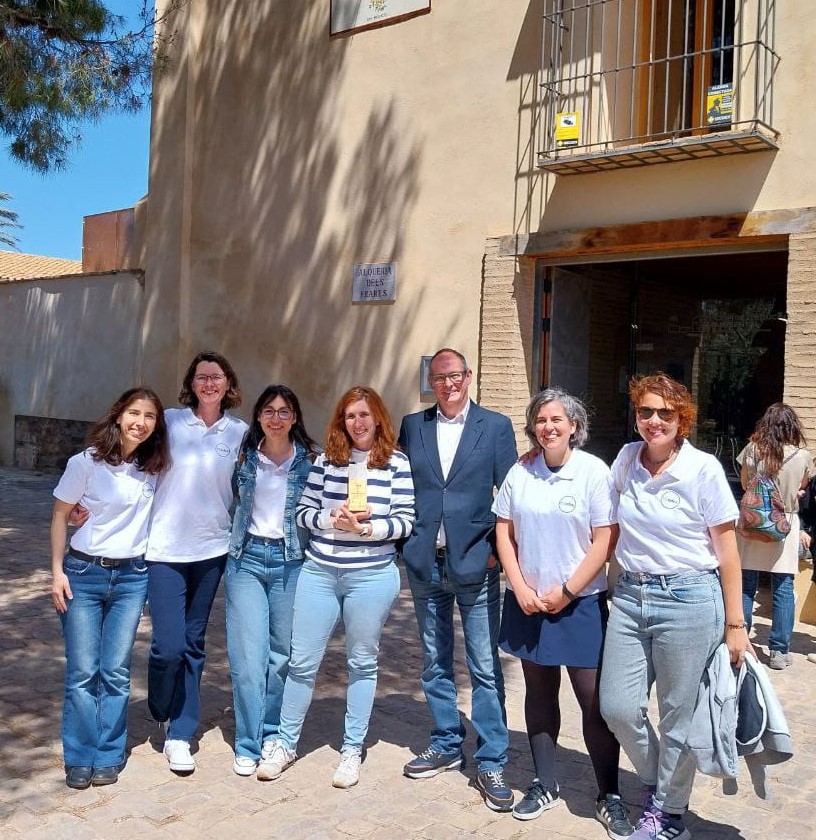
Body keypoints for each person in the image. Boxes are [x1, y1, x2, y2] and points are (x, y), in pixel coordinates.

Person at [600, 373, 750, 840]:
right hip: (629, 597)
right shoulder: (626, 459)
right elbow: (608, 525)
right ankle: (658, 784)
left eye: (666, 413)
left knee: (678, 713)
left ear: (682, 418)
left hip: (689, 600)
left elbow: (727, 552)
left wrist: (736, 624)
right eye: (646, 411)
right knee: (618, 707)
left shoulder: (702, 469)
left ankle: (667, 814)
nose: (654, 421)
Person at [255, 386, 414, 788]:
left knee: (362, 663)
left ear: (377, 417)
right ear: (341, 422)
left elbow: (407, 521)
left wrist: (367, 528)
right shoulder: (327, 462)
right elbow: (303, 514)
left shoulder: (396, 463)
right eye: (349, 416)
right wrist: (331, 518)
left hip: (371, 577)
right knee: (302, 662)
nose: (357, 423)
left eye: (364, 415)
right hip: (320, 573)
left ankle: (351, 750)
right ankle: (285, 744)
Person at [493, 388, 633, 839]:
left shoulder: (593, 472)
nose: (548, 427)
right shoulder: (522, 470)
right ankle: (544, 782)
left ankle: (609, 794)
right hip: (528, 601)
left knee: (594, 701)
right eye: (540, 420)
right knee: (538, 693)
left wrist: (569, 592)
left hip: (580, 604)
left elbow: (604, 539)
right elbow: (504, 531)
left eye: (557, 420)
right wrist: (519, 586)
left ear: (574, 426)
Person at [399, 348, 518, 812]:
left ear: (468, 377)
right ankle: (447, 741)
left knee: (485, 667)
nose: (447, 383)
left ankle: (492, 759)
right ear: (431, 381)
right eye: (438, 377)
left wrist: (498, 555)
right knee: (433, 660)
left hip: (476, 563)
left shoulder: (495, 426)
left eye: (454, 375)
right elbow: (400, 486)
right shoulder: (414, 426)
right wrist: (404, 545)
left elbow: (509, 494)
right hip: (427, 562)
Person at [51, 388, 170, 790]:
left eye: (150, 416)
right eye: (134, 413)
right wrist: (56, 571)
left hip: (132, 578)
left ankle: (108, 753)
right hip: (83, 575)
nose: (141, 422)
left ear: (157, 425)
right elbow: (60, 516)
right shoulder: (85, 462)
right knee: (83, 671)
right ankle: (79, 755)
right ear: (119, 416)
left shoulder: (155, 467)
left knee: (116, 671)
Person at [145, 351, 247, 772]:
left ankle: (180, 733)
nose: (209, 383)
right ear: (192, 382)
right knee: (167, 646)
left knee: (192, 643)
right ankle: (160, 698)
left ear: (227, 385)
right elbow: (130, 462)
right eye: (202, 377)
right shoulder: (168, 421)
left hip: (211, 550)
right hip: (164, 549)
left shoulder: (240, 431)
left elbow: (261, 479)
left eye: (216, 377)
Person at [225, 385, 319, 776]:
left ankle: (272, 736)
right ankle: (247, 742)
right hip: (246, 559)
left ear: (295, 417)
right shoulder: (244, 457)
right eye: (269, 410)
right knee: (248, 656)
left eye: (284, 411)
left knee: (282, 655)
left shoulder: (310, 463)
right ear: (258, 416)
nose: (276, 418)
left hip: (291, 561)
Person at [737, 403, 814, 670]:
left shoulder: (751, 450)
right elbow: (803, 486)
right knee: (783, 587)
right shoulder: (803, 456)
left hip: (753, 522)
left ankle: (742, 642)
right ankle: (779, 651)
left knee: (747, 585)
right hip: (785, 524)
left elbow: (746, 484)